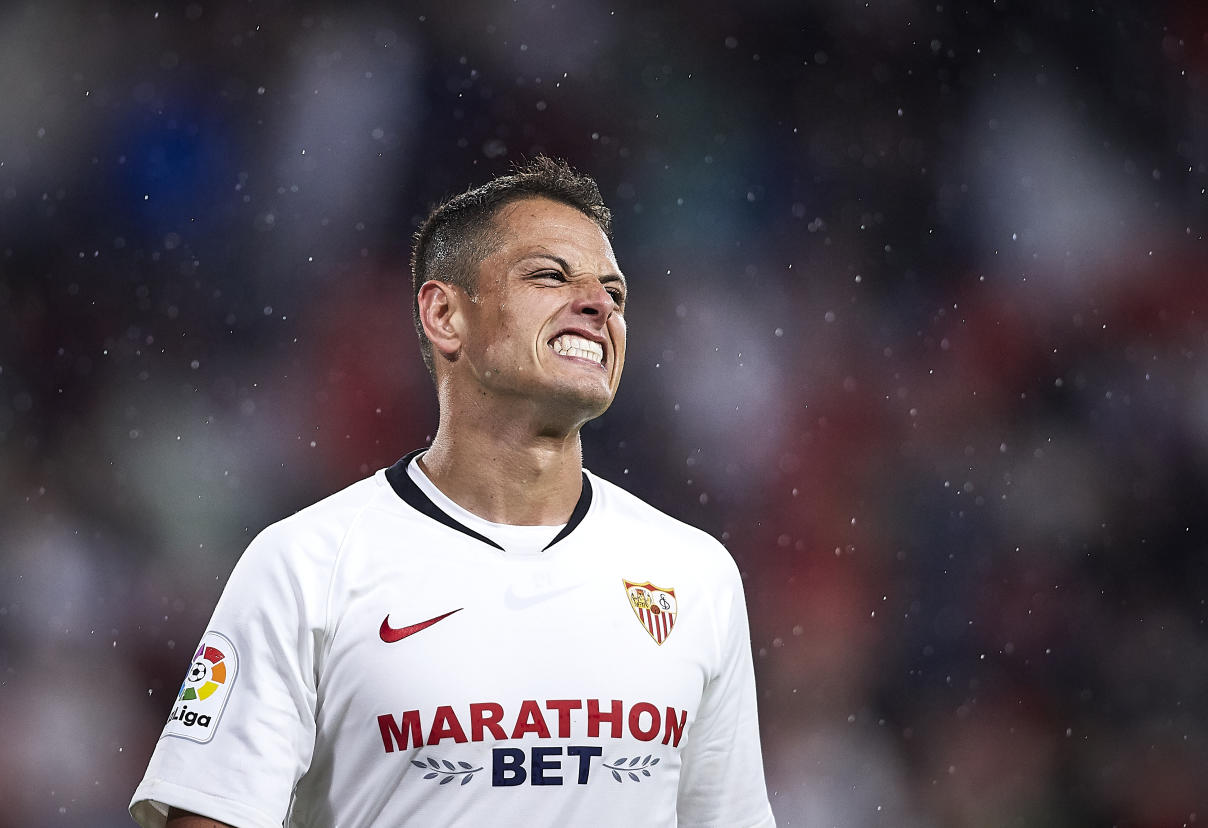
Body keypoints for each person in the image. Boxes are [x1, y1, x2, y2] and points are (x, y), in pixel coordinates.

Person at [130, 156, 776, 828]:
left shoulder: (695, 574)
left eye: (614, 294)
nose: (597, 306)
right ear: (445, 315)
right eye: (550, 275)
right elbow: (211, 815)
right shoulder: (306, 565)